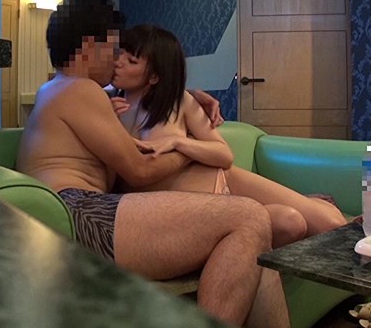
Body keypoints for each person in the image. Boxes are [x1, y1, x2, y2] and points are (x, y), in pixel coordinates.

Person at [16, 0, 290, 328]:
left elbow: (136, 112)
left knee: (260, 254)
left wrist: (190, 95)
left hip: (77, 214)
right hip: (78, 215)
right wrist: (187, 147)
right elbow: (141, 170)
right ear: (89, 47)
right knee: (250, 217)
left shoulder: (59, 89)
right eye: (114, 48)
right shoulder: (80, 89)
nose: (117, 59)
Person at [110, 25, 348, 247]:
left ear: (154, 76)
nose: (117, 63)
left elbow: (224, 155)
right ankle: (310, 202)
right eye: (120, 54)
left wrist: (179, 142)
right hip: (195, 208)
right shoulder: (108, 109)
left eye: (131, 61)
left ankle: (318, 206)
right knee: (291, 222)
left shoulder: (180, 101)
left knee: (333, 225)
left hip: (224, 181)